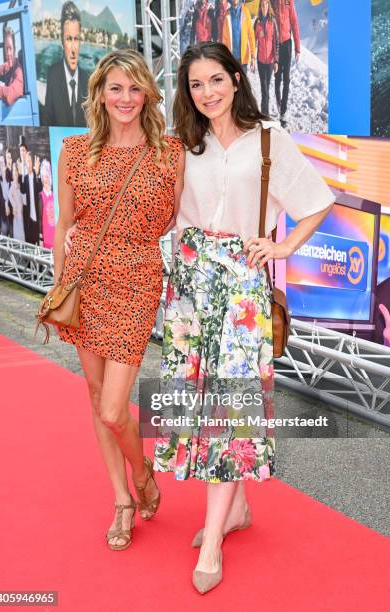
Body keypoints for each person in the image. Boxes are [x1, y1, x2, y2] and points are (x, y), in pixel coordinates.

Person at [153, 41, 334, 594]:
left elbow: (317, 202)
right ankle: (236, 509)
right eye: (195, 84)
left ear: (236, 77)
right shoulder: (184, 142)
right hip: (189, 284)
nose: (206, 92)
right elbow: (163, 210)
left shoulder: (270, 141)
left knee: (229, 410)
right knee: (198, 402)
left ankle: (211, 542)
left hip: (239, 286)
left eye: (215, 80)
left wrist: (281, 249)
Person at [57, 49, 184, 551]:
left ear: (148, 93)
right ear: (100, 94)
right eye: (115, 88)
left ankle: (144, 473)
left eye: (134, 88)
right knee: (94, 394)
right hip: (84, 280)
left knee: (114, 408)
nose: (125, 98)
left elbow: (175, 220)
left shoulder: (169, 153)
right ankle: (123, 501)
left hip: (136, 280)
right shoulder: (74, 149)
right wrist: (59, 283)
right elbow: (65, 223)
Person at [42, 1, 89, 126]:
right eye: (69, 39)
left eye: (76, 39)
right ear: (61, 41)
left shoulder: (89, 80)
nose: (73, 49)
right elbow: (47, 119)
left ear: (80, 41)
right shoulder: (52, 74)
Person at [271, 0, 300, 127]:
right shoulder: (272, 2)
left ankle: (283, 111)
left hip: (287, 44)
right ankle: (278, 103)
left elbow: (294, 23)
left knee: (287, 79)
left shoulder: (289, 2)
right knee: (278, 79)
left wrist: (297, 49)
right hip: (276, 45)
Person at [254, 0, 279, 115]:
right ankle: (265, 115)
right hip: (260, 61)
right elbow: (254, 43)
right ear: (260, 7)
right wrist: (253, 59)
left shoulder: (272, 21)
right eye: (262, 5)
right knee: (264, 88)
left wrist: (276, 61)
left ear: (268, 6)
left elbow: (276, 42)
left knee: (266, 88)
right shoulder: (257, 22)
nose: (264, 7)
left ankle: (264, 114)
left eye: (266, 4)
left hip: (269, 62)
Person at [222, 0, 256, 73]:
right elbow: (224, 39)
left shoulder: (245, 12)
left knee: (242, 83)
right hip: (231, 59)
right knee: (233, 83)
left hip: (243, 59)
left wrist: (253, 56)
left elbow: (251, 35)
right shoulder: (227, 15)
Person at [19, 152, 42, 245]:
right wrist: (21, 175)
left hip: (36, 216)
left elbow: (40, 188)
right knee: (30, 241)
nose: (28, 163)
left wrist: (37, 174)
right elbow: (22, 191)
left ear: (32, 163)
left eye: (29, 161)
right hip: (28, 217)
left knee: (37, 241)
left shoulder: (36, 176)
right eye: (26, 162)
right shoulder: (25, 178)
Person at [8, 162, 25, 242]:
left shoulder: (20, 184)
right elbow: (9, 195)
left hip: (22, 211)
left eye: (16, 171)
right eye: (13, 171)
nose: (15, 173)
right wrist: (14, 206)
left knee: (22, 230)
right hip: (17, 212)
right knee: (18, 232)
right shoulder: (12, 185)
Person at [39, 160, 55, 249]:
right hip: (47, 238)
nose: (45, 179)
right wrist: (41, 239)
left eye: (47, 176)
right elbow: (40, 219)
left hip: (56, 236)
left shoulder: (54, 195)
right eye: (43, 177)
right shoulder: (41, 196)